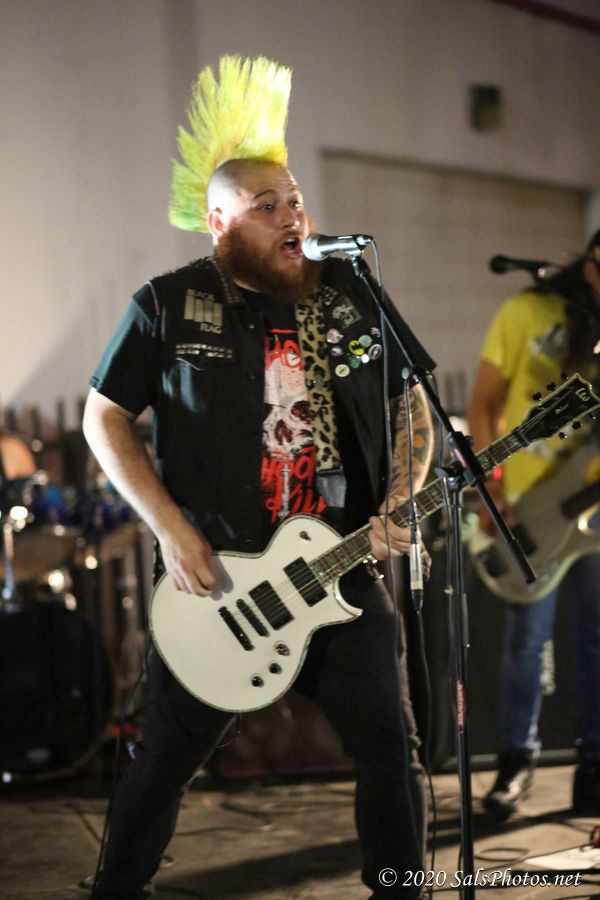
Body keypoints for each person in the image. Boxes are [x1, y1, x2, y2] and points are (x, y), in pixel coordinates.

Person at [82, 55, 436, 899]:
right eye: (266, 204)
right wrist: (172, 529)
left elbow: (412, 406)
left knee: (392, 747)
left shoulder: (349, 294)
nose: (292, 215)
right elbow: (103, 418)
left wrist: (399, 498)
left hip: (338, 566)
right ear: (218, 222)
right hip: (220, 576)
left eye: (296, 199)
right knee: (165, 763)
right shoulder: (169, 303)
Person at [467, 230, 600, 819]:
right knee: (527, 641)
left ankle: (594, 769)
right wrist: (491, 488)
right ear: (591, 265)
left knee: (597, 640)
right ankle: (515, 763)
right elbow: (482, 403)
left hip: (593, 510)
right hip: (527, 504)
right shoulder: (527, 311)